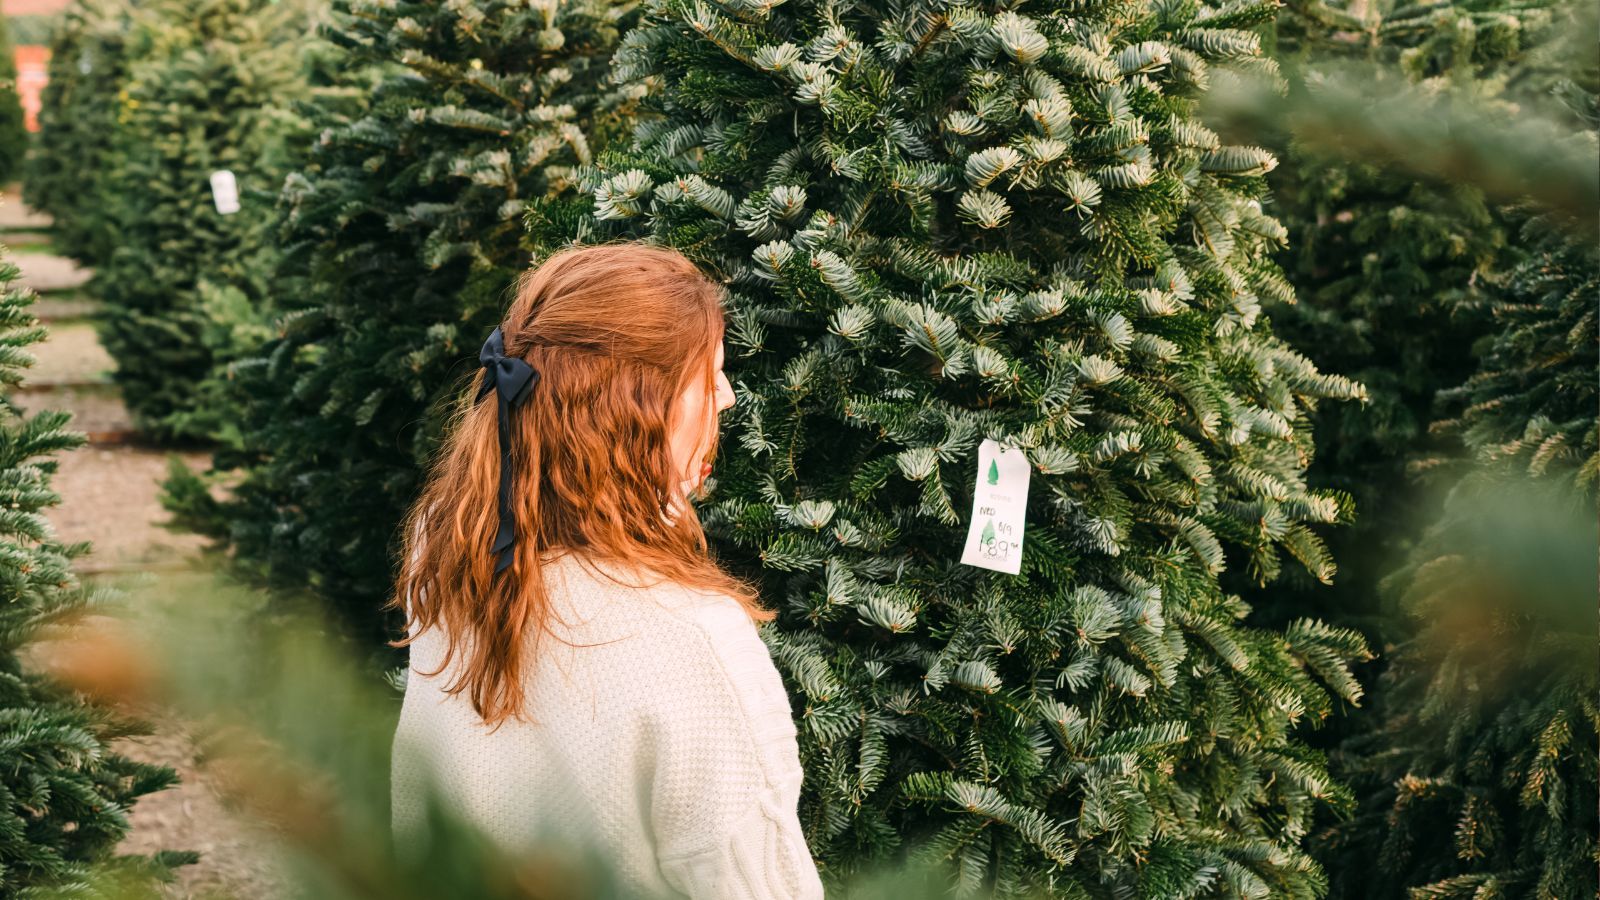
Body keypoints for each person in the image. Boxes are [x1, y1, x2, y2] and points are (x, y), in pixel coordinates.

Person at [389, 243, 824, 899]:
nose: (728, 400)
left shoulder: (447, 545)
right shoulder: (693, 639)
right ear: (634, 410)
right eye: (707, 379)